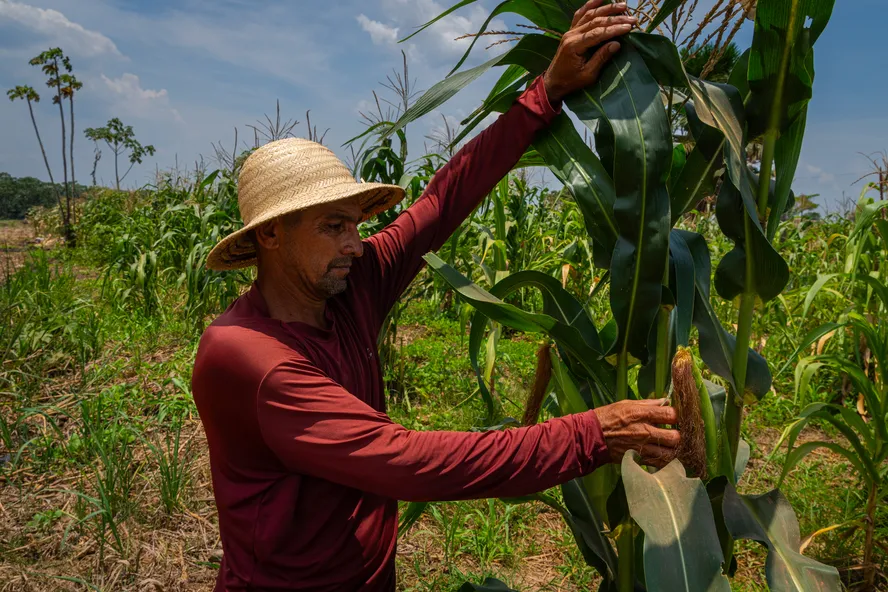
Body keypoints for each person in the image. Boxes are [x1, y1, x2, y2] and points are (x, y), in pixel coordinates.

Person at [192, 1, 680, 589]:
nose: (356, 242)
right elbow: (407, 461)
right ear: (270, 235)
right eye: (332, 226)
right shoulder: (247, 357)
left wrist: (544, 92)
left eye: (356, 222)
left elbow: (441, 203)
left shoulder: (348, 284)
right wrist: (591, 434)